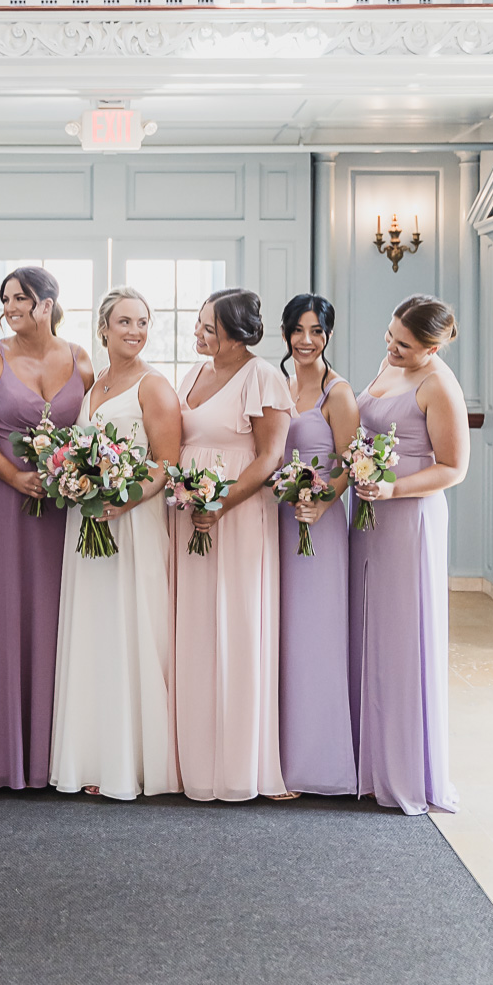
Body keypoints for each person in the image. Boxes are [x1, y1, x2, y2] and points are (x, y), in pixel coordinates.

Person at [0, 267, 93, 790]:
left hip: (61, 505)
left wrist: (75, 476)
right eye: (6, 298)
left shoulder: (80, 358)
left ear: (47, 303)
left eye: (20, 298)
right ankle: (0, 754)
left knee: (57, 613)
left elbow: (93, 427)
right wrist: (13, 475)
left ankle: (57, 754)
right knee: (3, 614)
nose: (9, 307)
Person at [50, 287, 181, 800]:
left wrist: (125, 500)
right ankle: (90, 755)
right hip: (88, 522)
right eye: (124, 321)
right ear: (103, 328)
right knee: (94, 628)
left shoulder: (155, 386)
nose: (135, 330)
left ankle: (132, 761)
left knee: (130, 627)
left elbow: (166, 462)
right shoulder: (93, 385)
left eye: (143, 322)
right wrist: (77, 482)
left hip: (132, 521)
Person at [350, 295, 470, 815]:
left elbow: (453, 468)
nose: (392, 347)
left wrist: (392, 489)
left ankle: (401, 770)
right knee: (365, 629)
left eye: (405, 344)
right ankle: (361, 758)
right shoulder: (390, 363)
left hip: (408, 519)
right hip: (368, 513)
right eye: (391, 335)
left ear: (435, 346)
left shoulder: (438, 385)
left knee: (400, 638)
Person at [173, 288, 292, 802]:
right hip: (190, 515)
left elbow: (269, 457)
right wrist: (189, 498)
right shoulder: (192, 375)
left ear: (236, 330)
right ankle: (193, 761)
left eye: (208, 328)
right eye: (198, 325)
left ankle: (241, 764)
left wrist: (221, 503)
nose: (198, 334)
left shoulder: (263, 376)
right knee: (194, 625)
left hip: (239, 515)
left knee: (239, 626)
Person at [277, 294, 359, 798]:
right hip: (279, 521)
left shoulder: (339, 392)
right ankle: (277, 755)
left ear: (328, 335)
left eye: (317, 331)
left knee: (315, 633)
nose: (307, 341)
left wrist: (323, 504)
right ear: (286, 333)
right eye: (299, 331)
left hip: (318, 526)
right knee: (282, 632)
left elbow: (351, 464)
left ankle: (317, 762)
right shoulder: (278, 383)